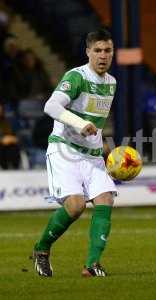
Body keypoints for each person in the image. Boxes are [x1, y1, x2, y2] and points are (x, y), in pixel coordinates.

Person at [32, 29, 117, 277]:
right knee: (76, 205)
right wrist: (79, 124)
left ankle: (92, 264)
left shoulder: (112, 82)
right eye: (98, 50)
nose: (103, 55)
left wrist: (103, 146)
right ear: (88, 52)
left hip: (91, 155)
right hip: (64, 149)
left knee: (105, 199)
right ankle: (42, 249)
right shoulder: (76, 77)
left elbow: (97, 119)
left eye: (108, 50)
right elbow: (51, 106)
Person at [0, 101, 21, 169]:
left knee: (13, 148)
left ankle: (14, 169)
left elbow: (12, 134)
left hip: (8, 146)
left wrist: (13, 138)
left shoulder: (6, 122)